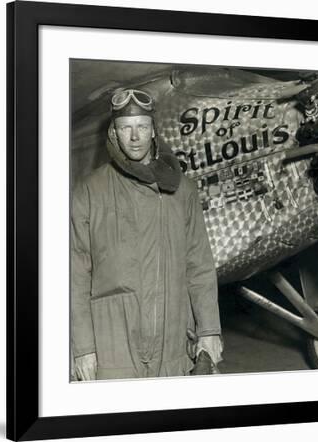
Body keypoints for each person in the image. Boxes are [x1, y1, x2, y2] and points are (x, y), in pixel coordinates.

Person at [71, 88, 222, 380]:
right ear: (114, 133)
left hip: (173, 344)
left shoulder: (182, 191)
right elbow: (74, 277)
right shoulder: (88, 193)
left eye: (142, 126)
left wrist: (209, 330)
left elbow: (199, 266)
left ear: (154, 131)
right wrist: (82, 349)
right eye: (126, 127)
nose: (135, 136)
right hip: (111, 348)